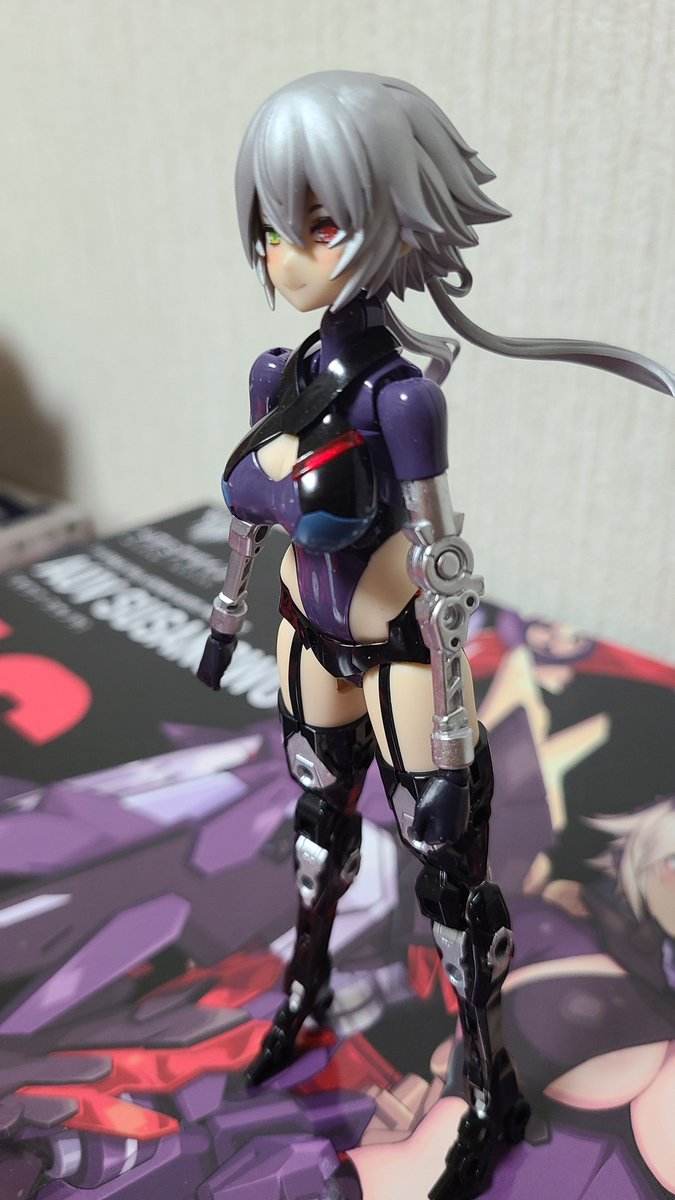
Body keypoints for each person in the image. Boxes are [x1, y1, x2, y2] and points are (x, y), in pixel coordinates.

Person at [197, 70, 674, 1200]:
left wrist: (454, 729)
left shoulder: (401, 398)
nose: (283, 254)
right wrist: (229, 602)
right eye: (270, 226)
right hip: (306, 631)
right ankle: (304, 991)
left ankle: (490, 1084)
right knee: (317, 834)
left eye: (316, 225)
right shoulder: (279, 374)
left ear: (388, 221)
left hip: (403, 654)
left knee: (452, 887)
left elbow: (443, 569)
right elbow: (252, 518)